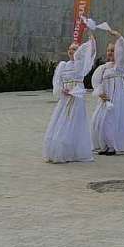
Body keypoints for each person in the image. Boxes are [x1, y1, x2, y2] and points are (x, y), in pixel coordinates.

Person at [43, 32, 97, 163]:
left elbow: (90, 53)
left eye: (74, 49)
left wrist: (91, 39)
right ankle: (58, 149)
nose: (71, 51)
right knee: (61, 119)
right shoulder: (63, 65)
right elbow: (57, 82)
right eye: (70, 49)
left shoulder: (81, 65)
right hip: (65, 97)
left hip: (76, 97)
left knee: (74, 120)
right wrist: (62, 90)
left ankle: (72, 150)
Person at [91, 30, 124, 156]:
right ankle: (103, 144)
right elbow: (96, 81)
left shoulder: (120, 67)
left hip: (116, 97)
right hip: (104, 98)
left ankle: (113, 146)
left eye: (113, 50)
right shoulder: (103, 68)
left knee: (112, 119)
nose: (110, 53)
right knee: (99, 119)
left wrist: (119, 37)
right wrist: (100, 93)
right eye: (108, 51)